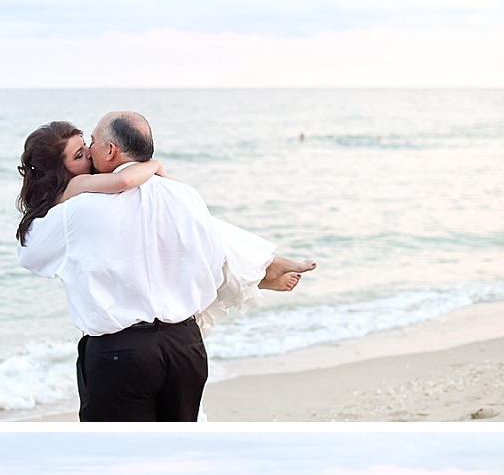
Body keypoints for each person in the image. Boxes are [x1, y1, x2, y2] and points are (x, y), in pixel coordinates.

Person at [16, 113, 315, 421]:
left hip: (120, 353)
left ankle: (265, 267)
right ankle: (265, 267)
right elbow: (213, 252)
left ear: (109, 151)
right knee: (177, 452)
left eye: (91, 144)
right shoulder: (184, 194)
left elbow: (29, 253)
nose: (89, 151)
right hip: (185, 347)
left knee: (118, 458)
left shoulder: (75, 210)